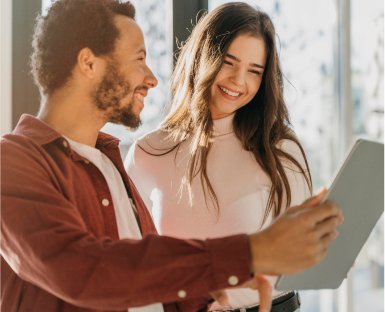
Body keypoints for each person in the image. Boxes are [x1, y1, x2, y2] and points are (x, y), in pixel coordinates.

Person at [1, 1, 343, 312]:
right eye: (139, 58)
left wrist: (208, 293)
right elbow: (83, 269)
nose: (151, 78)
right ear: (88, 63)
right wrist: (247, 255)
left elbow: (139, 280)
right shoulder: (13, 163)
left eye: (255, 70)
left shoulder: (109, 164)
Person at [125, 2, 314, 311]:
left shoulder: (280, 149)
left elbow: (303, 258)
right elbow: (136, 264)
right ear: (203, 57)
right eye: (229, 62)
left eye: (255, 71)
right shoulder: (147, 154)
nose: (239, 81)